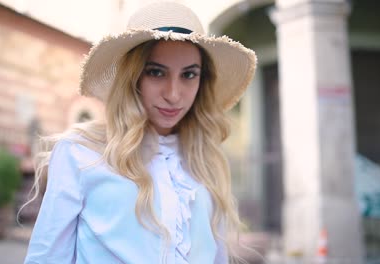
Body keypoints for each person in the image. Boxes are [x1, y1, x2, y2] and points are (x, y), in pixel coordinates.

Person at [23, 2, 256, 264]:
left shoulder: (207, 161)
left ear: (203, 81)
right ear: (132, 77)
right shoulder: (81, 152)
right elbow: (46, 258)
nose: (173, 94)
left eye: (189, 74)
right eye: (156, 72)